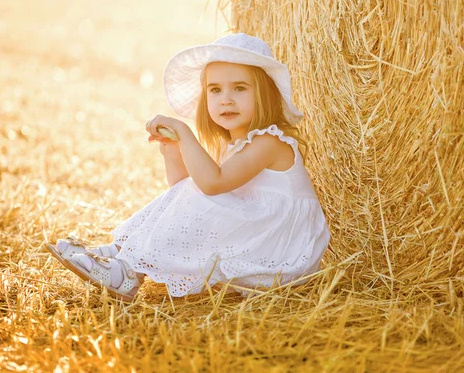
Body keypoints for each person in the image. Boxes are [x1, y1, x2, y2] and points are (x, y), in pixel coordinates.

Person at [46, 33, 331, 302]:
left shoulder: (269, 141)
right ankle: (118, 257)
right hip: (259, 236)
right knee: (191, 191)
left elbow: (210, 185)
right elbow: (187, 188)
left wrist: (184, 133)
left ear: (265, 95)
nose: (226, 99)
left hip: (283, 252)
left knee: (198, 191)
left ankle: (126, 271)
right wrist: (173, 151)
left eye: (240, 89)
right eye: (215, 90)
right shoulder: (236, 146)